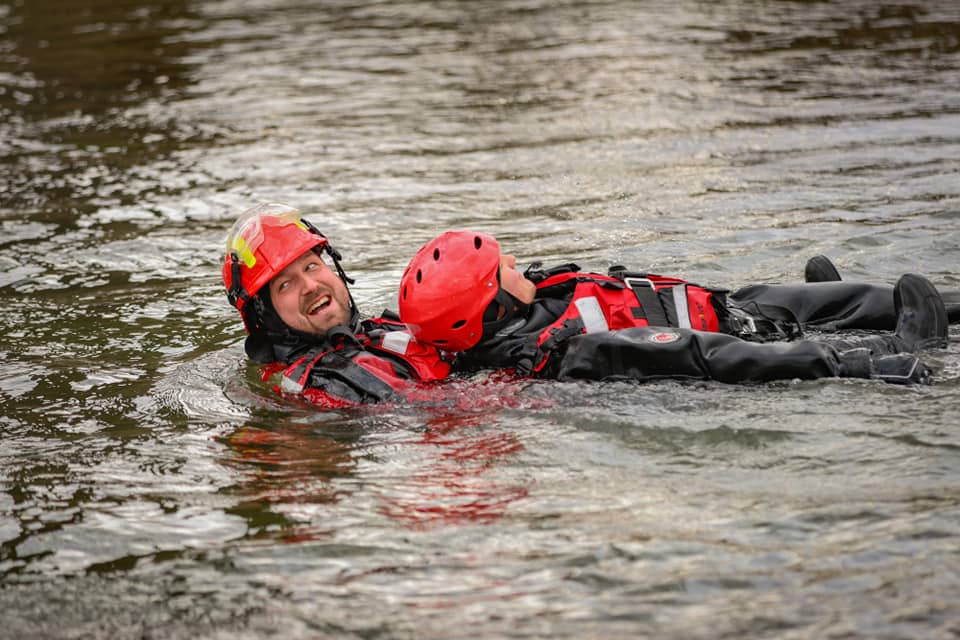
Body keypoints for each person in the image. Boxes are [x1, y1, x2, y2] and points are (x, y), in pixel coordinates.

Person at [398, 231, 952, 385]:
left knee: (871, 295)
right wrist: (857, 361)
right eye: (502, 269)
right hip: (750, 335)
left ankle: (861, 311)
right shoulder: (569, 353)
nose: (515, 261)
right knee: (887, 305)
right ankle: (908, 343)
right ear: (495, 307)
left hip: (736, 304)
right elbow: (707, 356)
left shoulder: (527, 305)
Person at [222, 203, 451, 407]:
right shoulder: (317, 391)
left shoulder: (388, 327)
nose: (310, 286)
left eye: (311, 266)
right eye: (285, 285)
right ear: (264, 315)